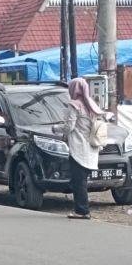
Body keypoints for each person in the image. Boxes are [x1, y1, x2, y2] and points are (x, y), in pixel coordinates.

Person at [55, 77, 104, 219]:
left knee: (78, 182)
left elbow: (68, 127)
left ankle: (82, 211)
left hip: (78, 148)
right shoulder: (91, 105)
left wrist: (55, 128)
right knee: (81, 181)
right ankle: (82, 209)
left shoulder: (74, 105)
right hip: (91, 148)